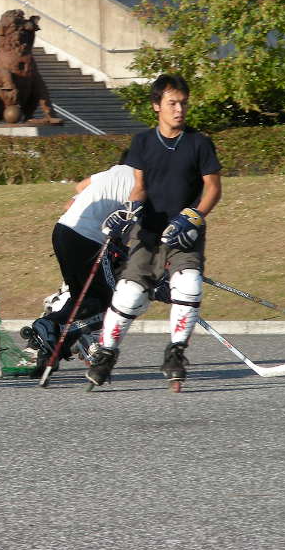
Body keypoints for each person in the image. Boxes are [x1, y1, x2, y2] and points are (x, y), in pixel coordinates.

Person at [88, 73, 222, 390]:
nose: (179, 109)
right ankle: (106, 354)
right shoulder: (143, 142)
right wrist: (126, 214)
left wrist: (194, 217)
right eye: (172, 103)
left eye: (183, 103)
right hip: (146, 232)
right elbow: (139, 188)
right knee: (129, 295)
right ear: (156, 106)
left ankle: (175, 355)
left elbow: (213, 189)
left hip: (185, 233)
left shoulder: (199, 143)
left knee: (188, 285)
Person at [20, 159, 135, 377]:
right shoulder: (144, 182)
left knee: (83, 299)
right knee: (112, 304)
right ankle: (49, 325)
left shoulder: (114, 172)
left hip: (63, 231)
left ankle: (49, 352)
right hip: (87, 239)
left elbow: (79, 190)